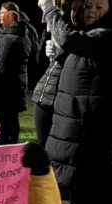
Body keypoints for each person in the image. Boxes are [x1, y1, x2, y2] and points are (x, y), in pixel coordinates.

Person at [39, 0, 112, 204]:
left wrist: (49, 9)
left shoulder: (109, 33)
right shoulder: (91, 35)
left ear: (111, 9)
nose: (92, 12)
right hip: (79, 115)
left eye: (99, 6)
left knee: (82, 176)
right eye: (88, 7)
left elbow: (70, 40)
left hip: (88, 119)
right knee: (79, 176)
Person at [32, 0, 84, 149]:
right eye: (74, 9)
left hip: (63, 104)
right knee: (43, 151)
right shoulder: (60, 29)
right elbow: (39, 61)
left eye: (81, 10)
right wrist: (47, 46)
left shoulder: (80, 37)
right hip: (45, 95)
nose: (77, 14)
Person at [0, 4, 32, 145]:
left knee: (5, 121)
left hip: (6, 86)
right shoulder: (23, 33)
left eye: (3, 13)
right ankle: (11, 147)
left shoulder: (9, 38)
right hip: (17, 84)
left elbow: (1, 65)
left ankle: (4, 149)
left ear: (11, 15)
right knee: (12, 119)